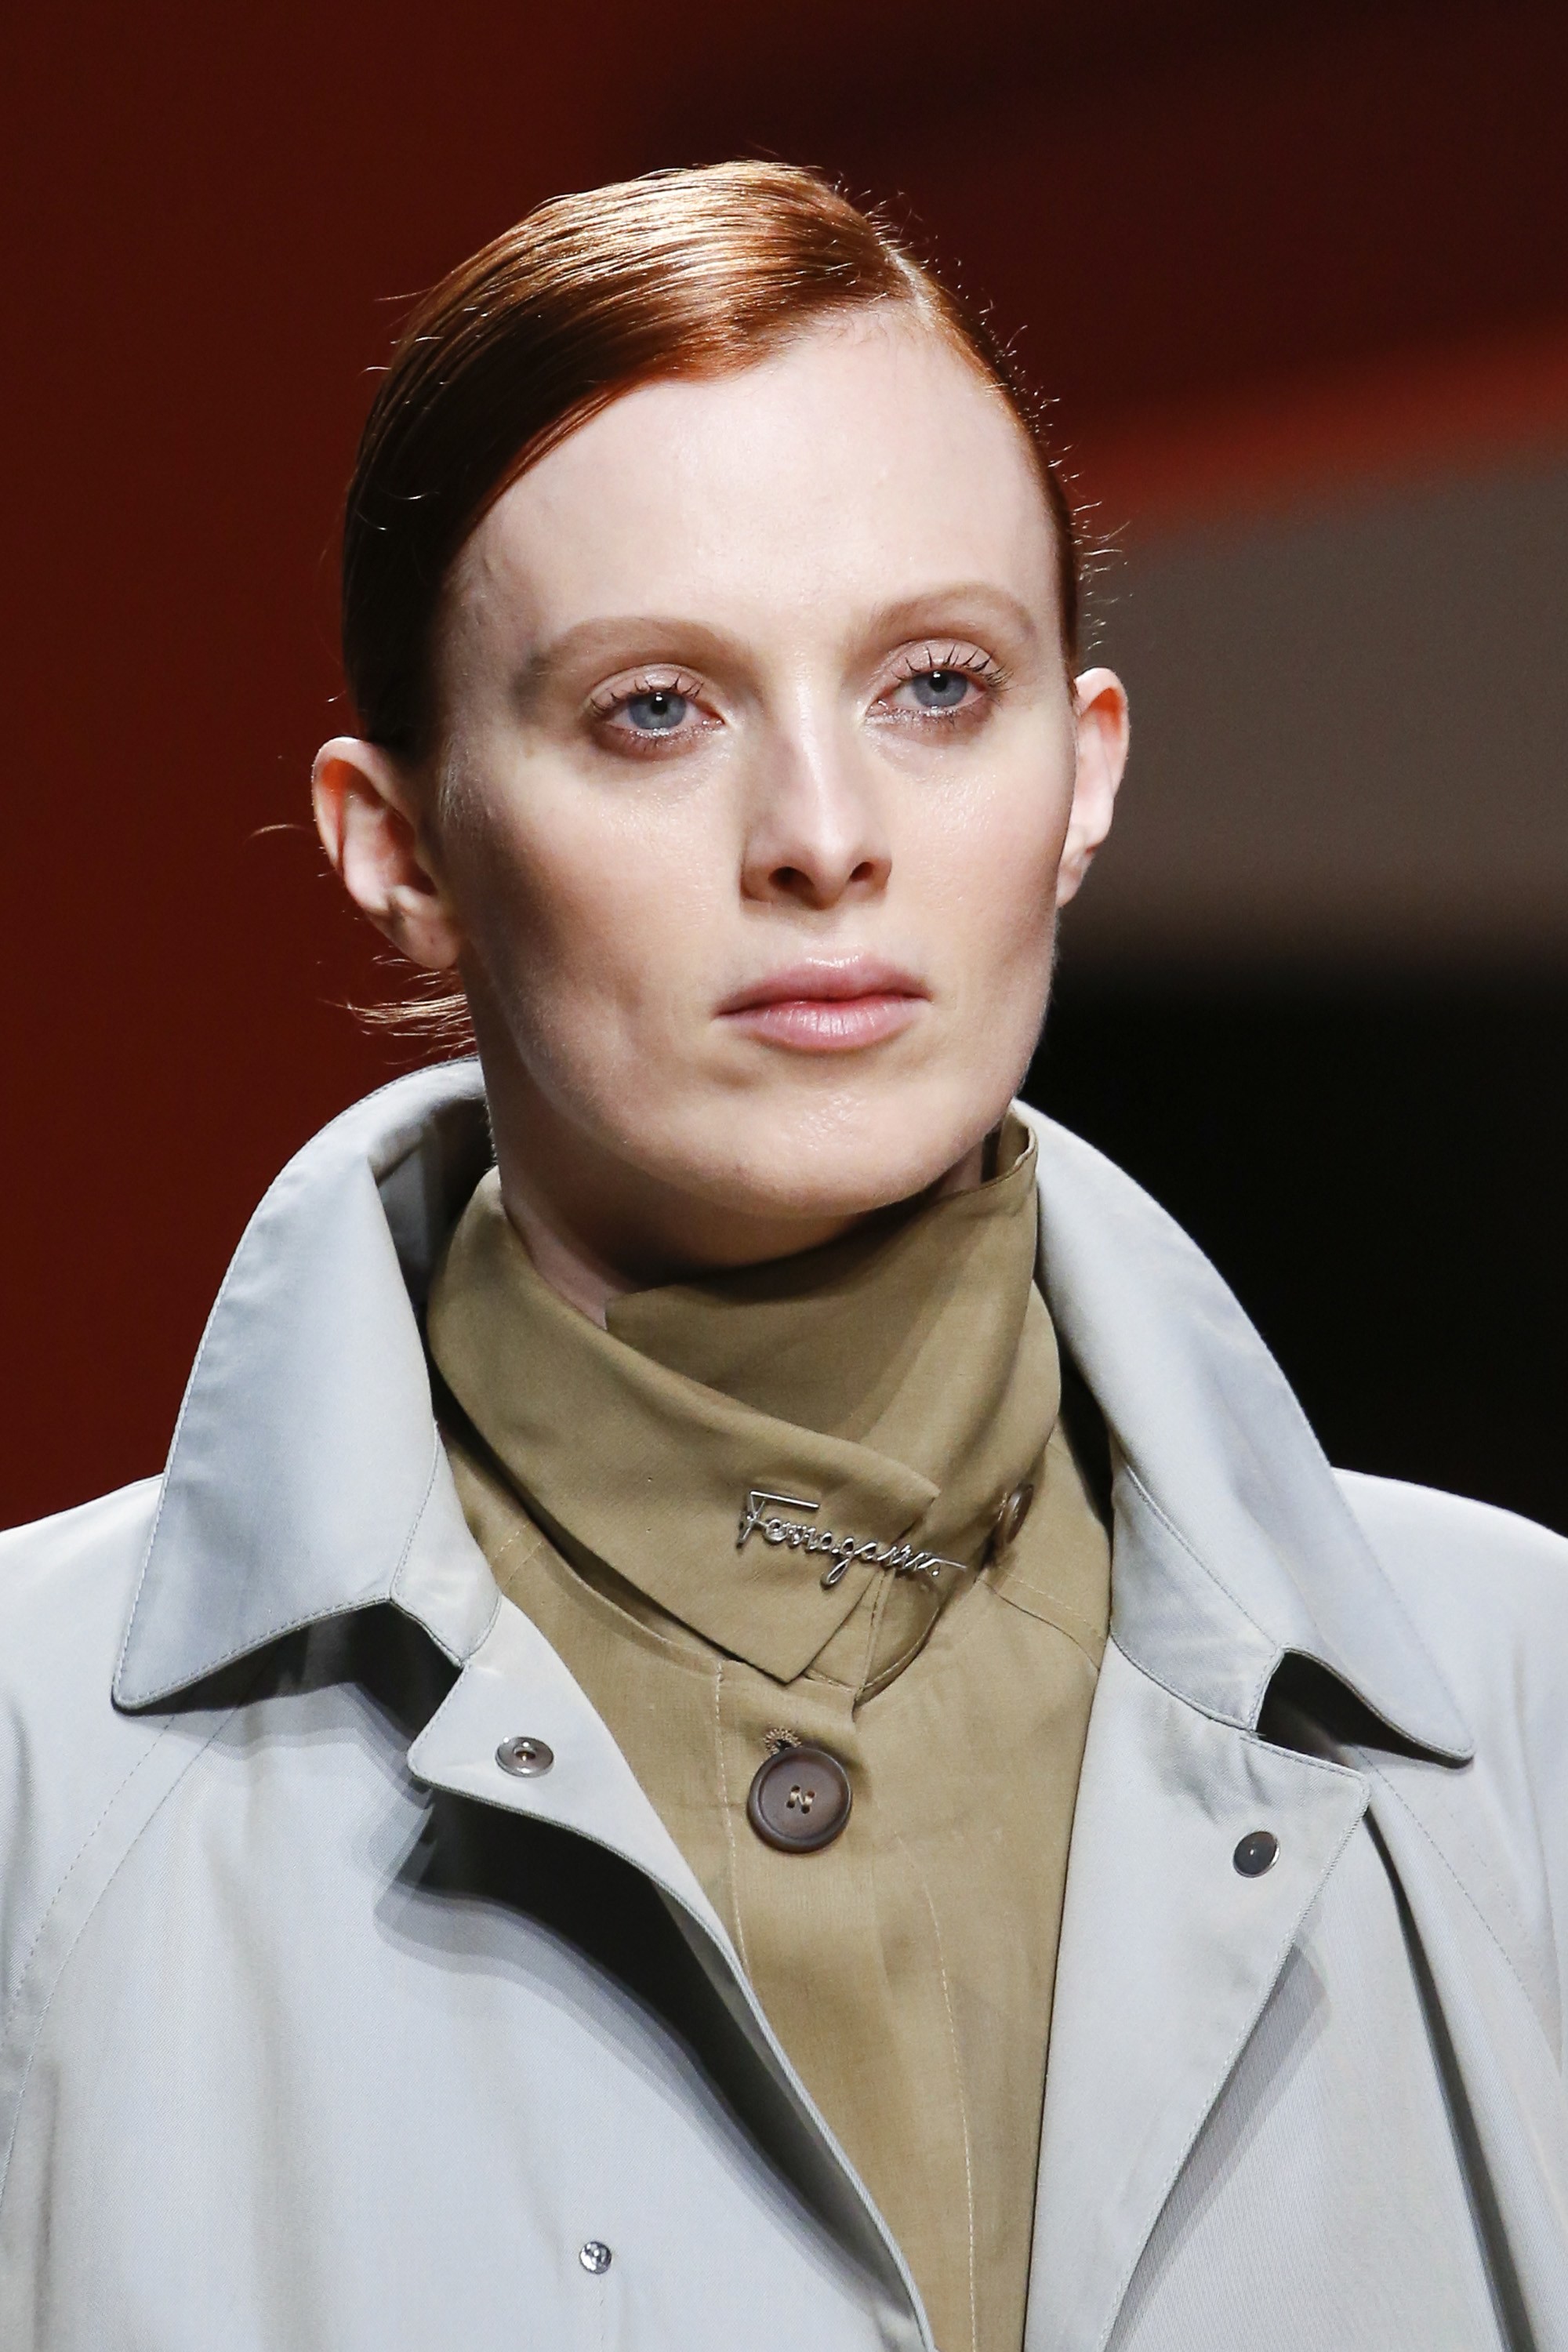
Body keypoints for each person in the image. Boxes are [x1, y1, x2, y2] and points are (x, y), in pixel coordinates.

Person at [1, 162, 1565, 2352]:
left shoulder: (1527, 1713)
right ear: (403, 847)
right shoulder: (33, 1783)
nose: (825, 837)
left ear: (1082, 774)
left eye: (935, 685)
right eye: (656, 708)